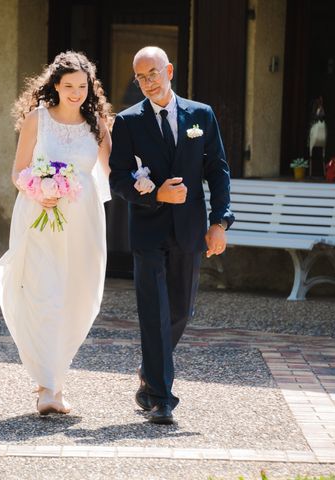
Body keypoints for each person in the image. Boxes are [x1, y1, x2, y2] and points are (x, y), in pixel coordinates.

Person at [109, 46, 234, 425]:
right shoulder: (128, 121)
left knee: (181, 310)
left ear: (170, 71)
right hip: (147, 230)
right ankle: (162, 398)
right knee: (154, 313)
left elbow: (219, 171)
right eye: (140, 77)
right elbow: (117, 179)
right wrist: (155, 193)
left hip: (190, 228)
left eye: (153, 74)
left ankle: (150, 374)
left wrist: (220, 222)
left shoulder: (201, 115)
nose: (147, 82)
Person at [0, 51, 112, 415]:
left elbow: (114, 171)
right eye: (68, 85)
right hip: (38, 217)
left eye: (82, 85)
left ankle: (56, 382)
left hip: (83, 223)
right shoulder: (37, 120)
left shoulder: (98, 123)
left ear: (90, 87)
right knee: (45, 296)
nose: (76, 92)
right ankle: (46, 386)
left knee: (76, 298)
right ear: (55, 86)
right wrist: (38, 190)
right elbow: (18, 171)